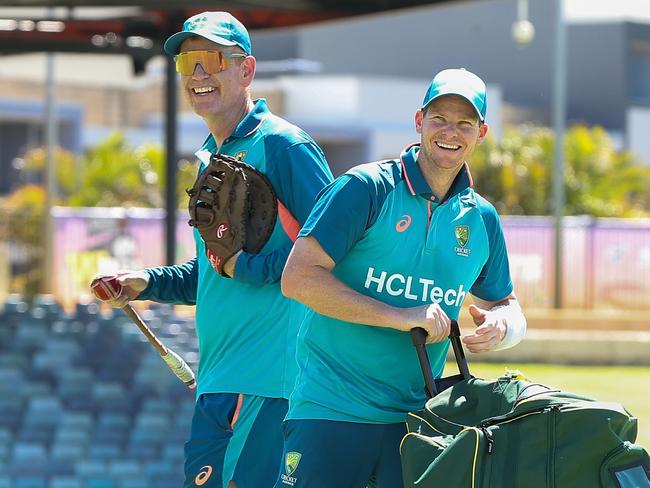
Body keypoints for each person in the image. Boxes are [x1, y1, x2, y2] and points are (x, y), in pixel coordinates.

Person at [91, 11, 333, 488]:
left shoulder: (284, 146)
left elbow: (336, 255)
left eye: (211, 59)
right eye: (187, 62)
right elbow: (212, 269)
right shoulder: (211, 153)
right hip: (219, 382)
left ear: (246, 70)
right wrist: (147, 282)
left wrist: (248, 267)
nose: (198, 74)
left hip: (270, 381)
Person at [277, 68, 527, 487]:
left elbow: (506, 303)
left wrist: (504, 326)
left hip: (420, 424)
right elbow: (298, 278)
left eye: (464, 123)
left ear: (481, 133)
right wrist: (398, 315)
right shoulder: (365, 187)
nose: (451, 131)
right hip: (330, 411)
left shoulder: (482, 217)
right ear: (419, 121)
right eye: (439, 119)